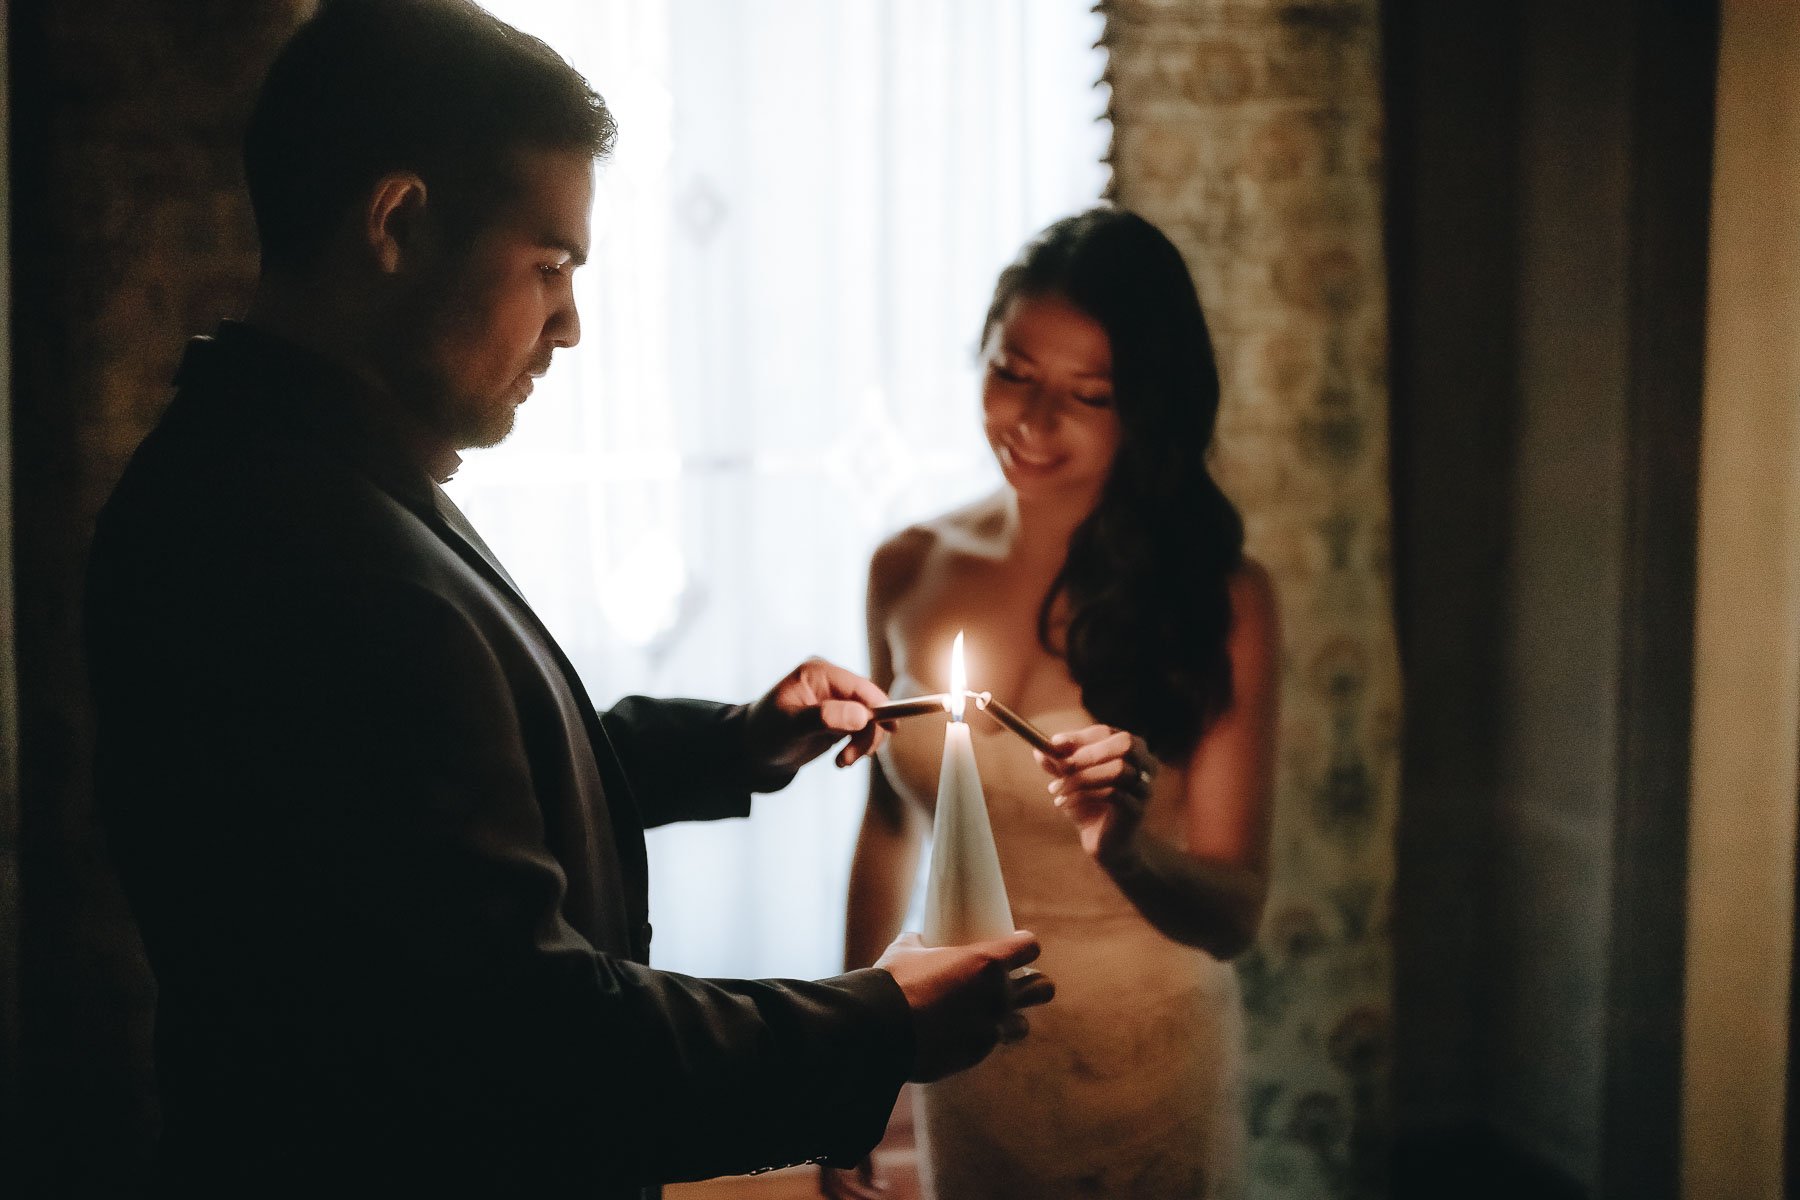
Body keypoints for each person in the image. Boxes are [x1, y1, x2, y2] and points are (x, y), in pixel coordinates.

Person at [83, 3, 1051, 1195]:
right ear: (399, 223)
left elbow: (431, 811)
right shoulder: (296, 545)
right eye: (549, 265)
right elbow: (529, 1043)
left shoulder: (317, 470)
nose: (572, 325)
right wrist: (879, 1025)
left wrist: (732, 745)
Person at [821, 206, 1279, 1200]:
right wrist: (848, 1064)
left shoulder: (1219, 596)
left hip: (1143, 1054)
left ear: (1146, 411)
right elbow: (892, 833)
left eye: (1089, 395)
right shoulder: (909, 566)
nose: (1031, 422)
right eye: (1013, 372)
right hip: (969, 1053)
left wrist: (1125, 849)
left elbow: (1235, 914)